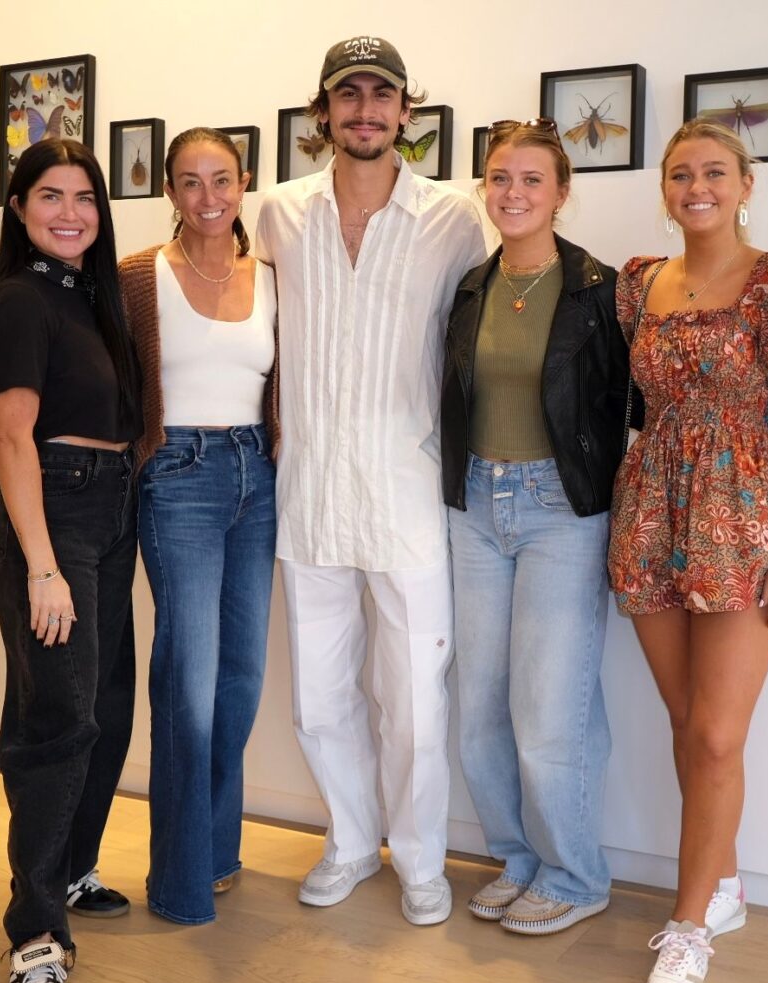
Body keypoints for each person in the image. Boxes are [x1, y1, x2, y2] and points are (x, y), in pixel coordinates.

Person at [607, 120, 768, 983]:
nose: (697, 186)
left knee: (717, 735)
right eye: (681, 173)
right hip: (651, 509)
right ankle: (726, 882)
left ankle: (688, 928)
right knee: (685, 721)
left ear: (746, 183)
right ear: (665, 189)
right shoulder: (641, 286)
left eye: (715, 171)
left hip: (744, 520)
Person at [254, 35, 485, 926]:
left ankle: (421, 857)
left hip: (409, 496)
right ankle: (351, 841)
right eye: (346, 95)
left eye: (380, 96)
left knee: (417, 704)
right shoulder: (275, 212)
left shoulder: (456, 218)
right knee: (320, 696)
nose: (364, 110)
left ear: (405, 113)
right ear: (323, 113)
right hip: (308, 492)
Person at [440, 119, 632, 935]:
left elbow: (635, 404)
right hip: (477, 503)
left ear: (560, 192)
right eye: (498, 178)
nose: (511, 193)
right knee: (480, 706)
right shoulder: (471, 288)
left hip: (560, 509)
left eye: (529, 180)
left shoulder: (601, 289)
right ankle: (518, 861)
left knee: (550, 709)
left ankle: (575, 873)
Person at [0, 138, 141, 983]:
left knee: (105, 706)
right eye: (50, 195)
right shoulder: (17, 299)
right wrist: (42, 566)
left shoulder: (90, 297)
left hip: (115, 504)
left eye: (86, 197)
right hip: (60, 523)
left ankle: (72, 865)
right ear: (17, 206)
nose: (71, 212)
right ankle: (35, 936)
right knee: (55, 720)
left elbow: (55, 413)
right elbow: (14, 439)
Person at [118, 127, 278, 925]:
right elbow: (94, 374)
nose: (208, 198)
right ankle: (178, 880)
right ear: (170, 192)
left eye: (222, 180)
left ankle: (216, 848)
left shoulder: (274, 276)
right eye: (190, 182)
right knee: (188, 678)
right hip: (178, 477)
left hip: (260, 476)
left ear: (244, 183)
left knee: (241, 677)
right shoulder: (138, 277)